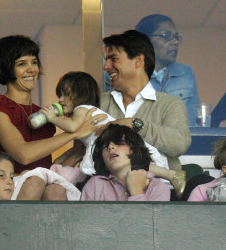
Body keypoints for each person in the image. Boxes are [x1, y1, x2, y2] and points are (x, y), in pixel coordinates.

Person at [0, 35, 104, 200]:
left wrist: (77, 151)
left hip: (38, 188)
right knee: (36, 183)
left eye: (34, 62)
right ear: (6, 68)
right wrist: (74, 132)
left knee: (57, 190)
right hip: (6, 191)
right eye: (21, 64)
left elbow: (45, 169)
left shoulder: (43, 115)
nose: (31, 69)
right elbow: (23, 154)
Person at [40, 71, 184, 194]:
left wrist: (52, 117)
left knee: (134, 165)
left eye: (66, 95)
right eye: (60, 95)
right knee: (137, 164)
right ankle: (170, 174)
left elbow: (72, 127)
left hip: (116, 140)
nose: (60, 100)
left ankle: (170, 175)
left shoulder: (81, 109)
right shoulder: (86, 111)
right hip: (120, 140)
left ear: (79, 95)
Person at [99, 30, 191, 191]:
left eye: (113, 59)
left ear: (138, 61)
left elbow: (179, 144)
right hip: (105, 192)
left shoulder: (170, 104)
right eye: (106, 60)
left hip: (159, 194)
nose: (106, 66)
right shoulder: (99, 102)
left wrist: (135, 124)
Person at [135, 14, 201, 126]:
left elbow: (193, 124)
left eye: (176, 37)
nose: (175, 42)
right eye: (166, 35)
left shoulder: (185, 73)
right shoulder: (127, 74)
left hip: (178, 141)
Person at [80, 124, 171, 201]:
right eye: (105, 145)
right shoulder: (95, 184)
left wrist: (136, 192)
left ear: (134, 149)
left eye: (118, 142)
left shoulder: (158, 187)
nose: (110, 147)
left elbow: (146, 222)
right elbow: (84, 221)